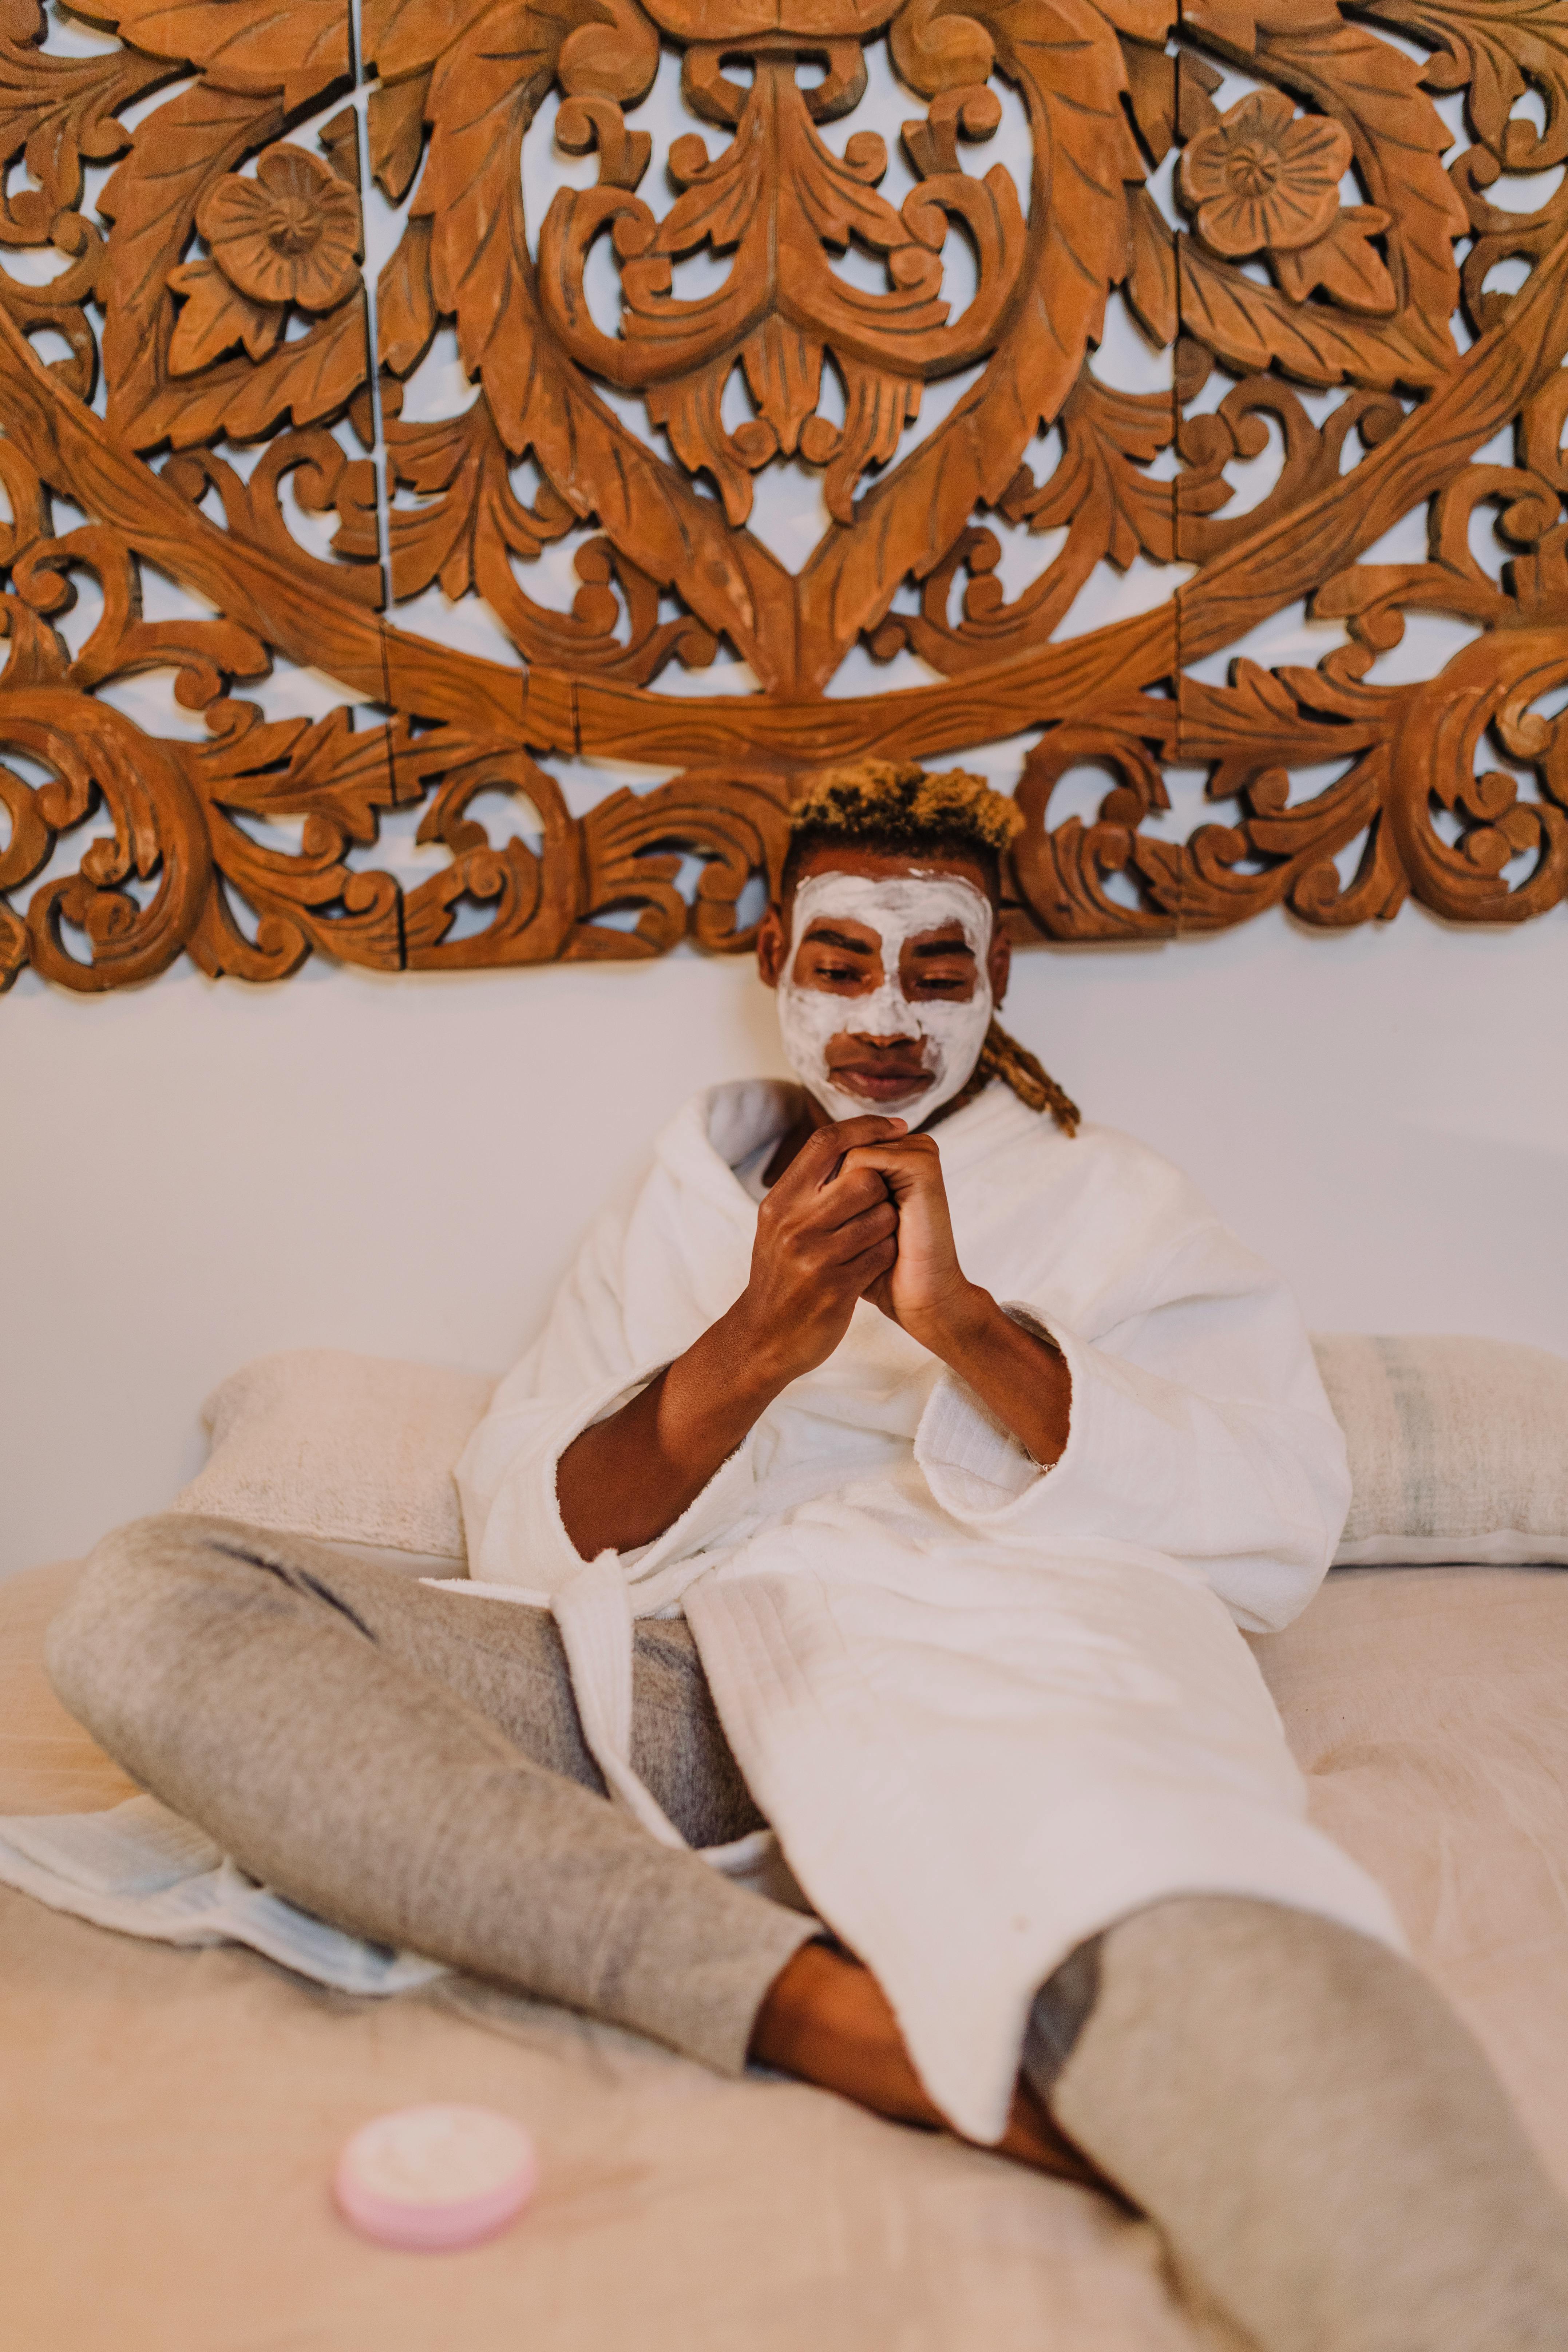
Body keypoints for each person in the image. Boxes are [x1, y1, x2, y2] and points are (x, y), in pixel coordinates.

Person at [48, 759, 1568, 2349]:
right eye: (842, 961)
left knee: (1230, 1952)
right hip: (678, 1673)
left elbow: (1276, 1512)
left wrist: (970, 1328)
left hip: (1010, 1670)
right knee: (155, 1599)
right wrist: (750, 1347)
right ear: (774, 958)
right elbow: (523, 1522)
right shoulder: (685, 1201)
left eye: (937, 969)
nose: (886, 1020)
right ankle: (809, 2005)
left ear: (997, 979)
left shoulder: (1117, 1208)